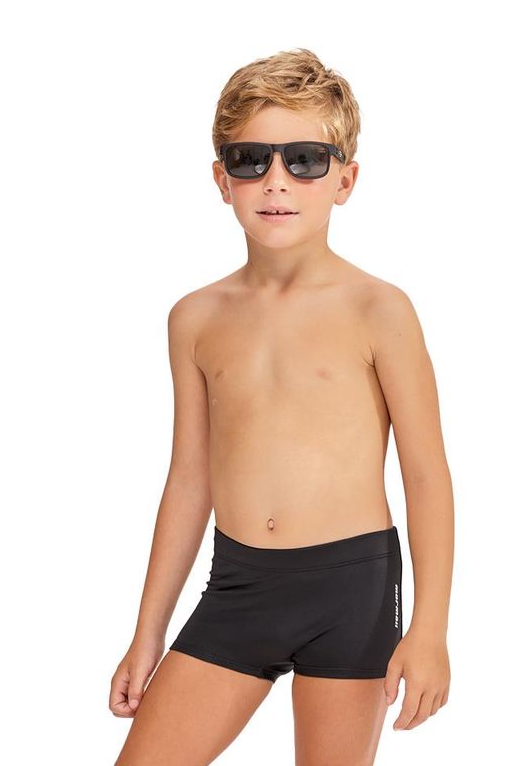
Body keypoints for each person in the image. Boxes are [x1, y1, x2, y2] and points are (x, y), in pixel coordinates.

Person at [110, 47, 454, 766]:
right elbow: (189, 479)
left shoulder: (379, 310)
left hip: (350, 591)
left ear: (344, 180)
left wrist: (430, 630)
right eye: (250, 160)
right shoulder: (195, 318)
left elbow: (426, 475)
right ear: (221, 179)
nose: (276, 181)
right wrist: (148, 634)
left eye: (304, 160)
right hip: (238, 586)